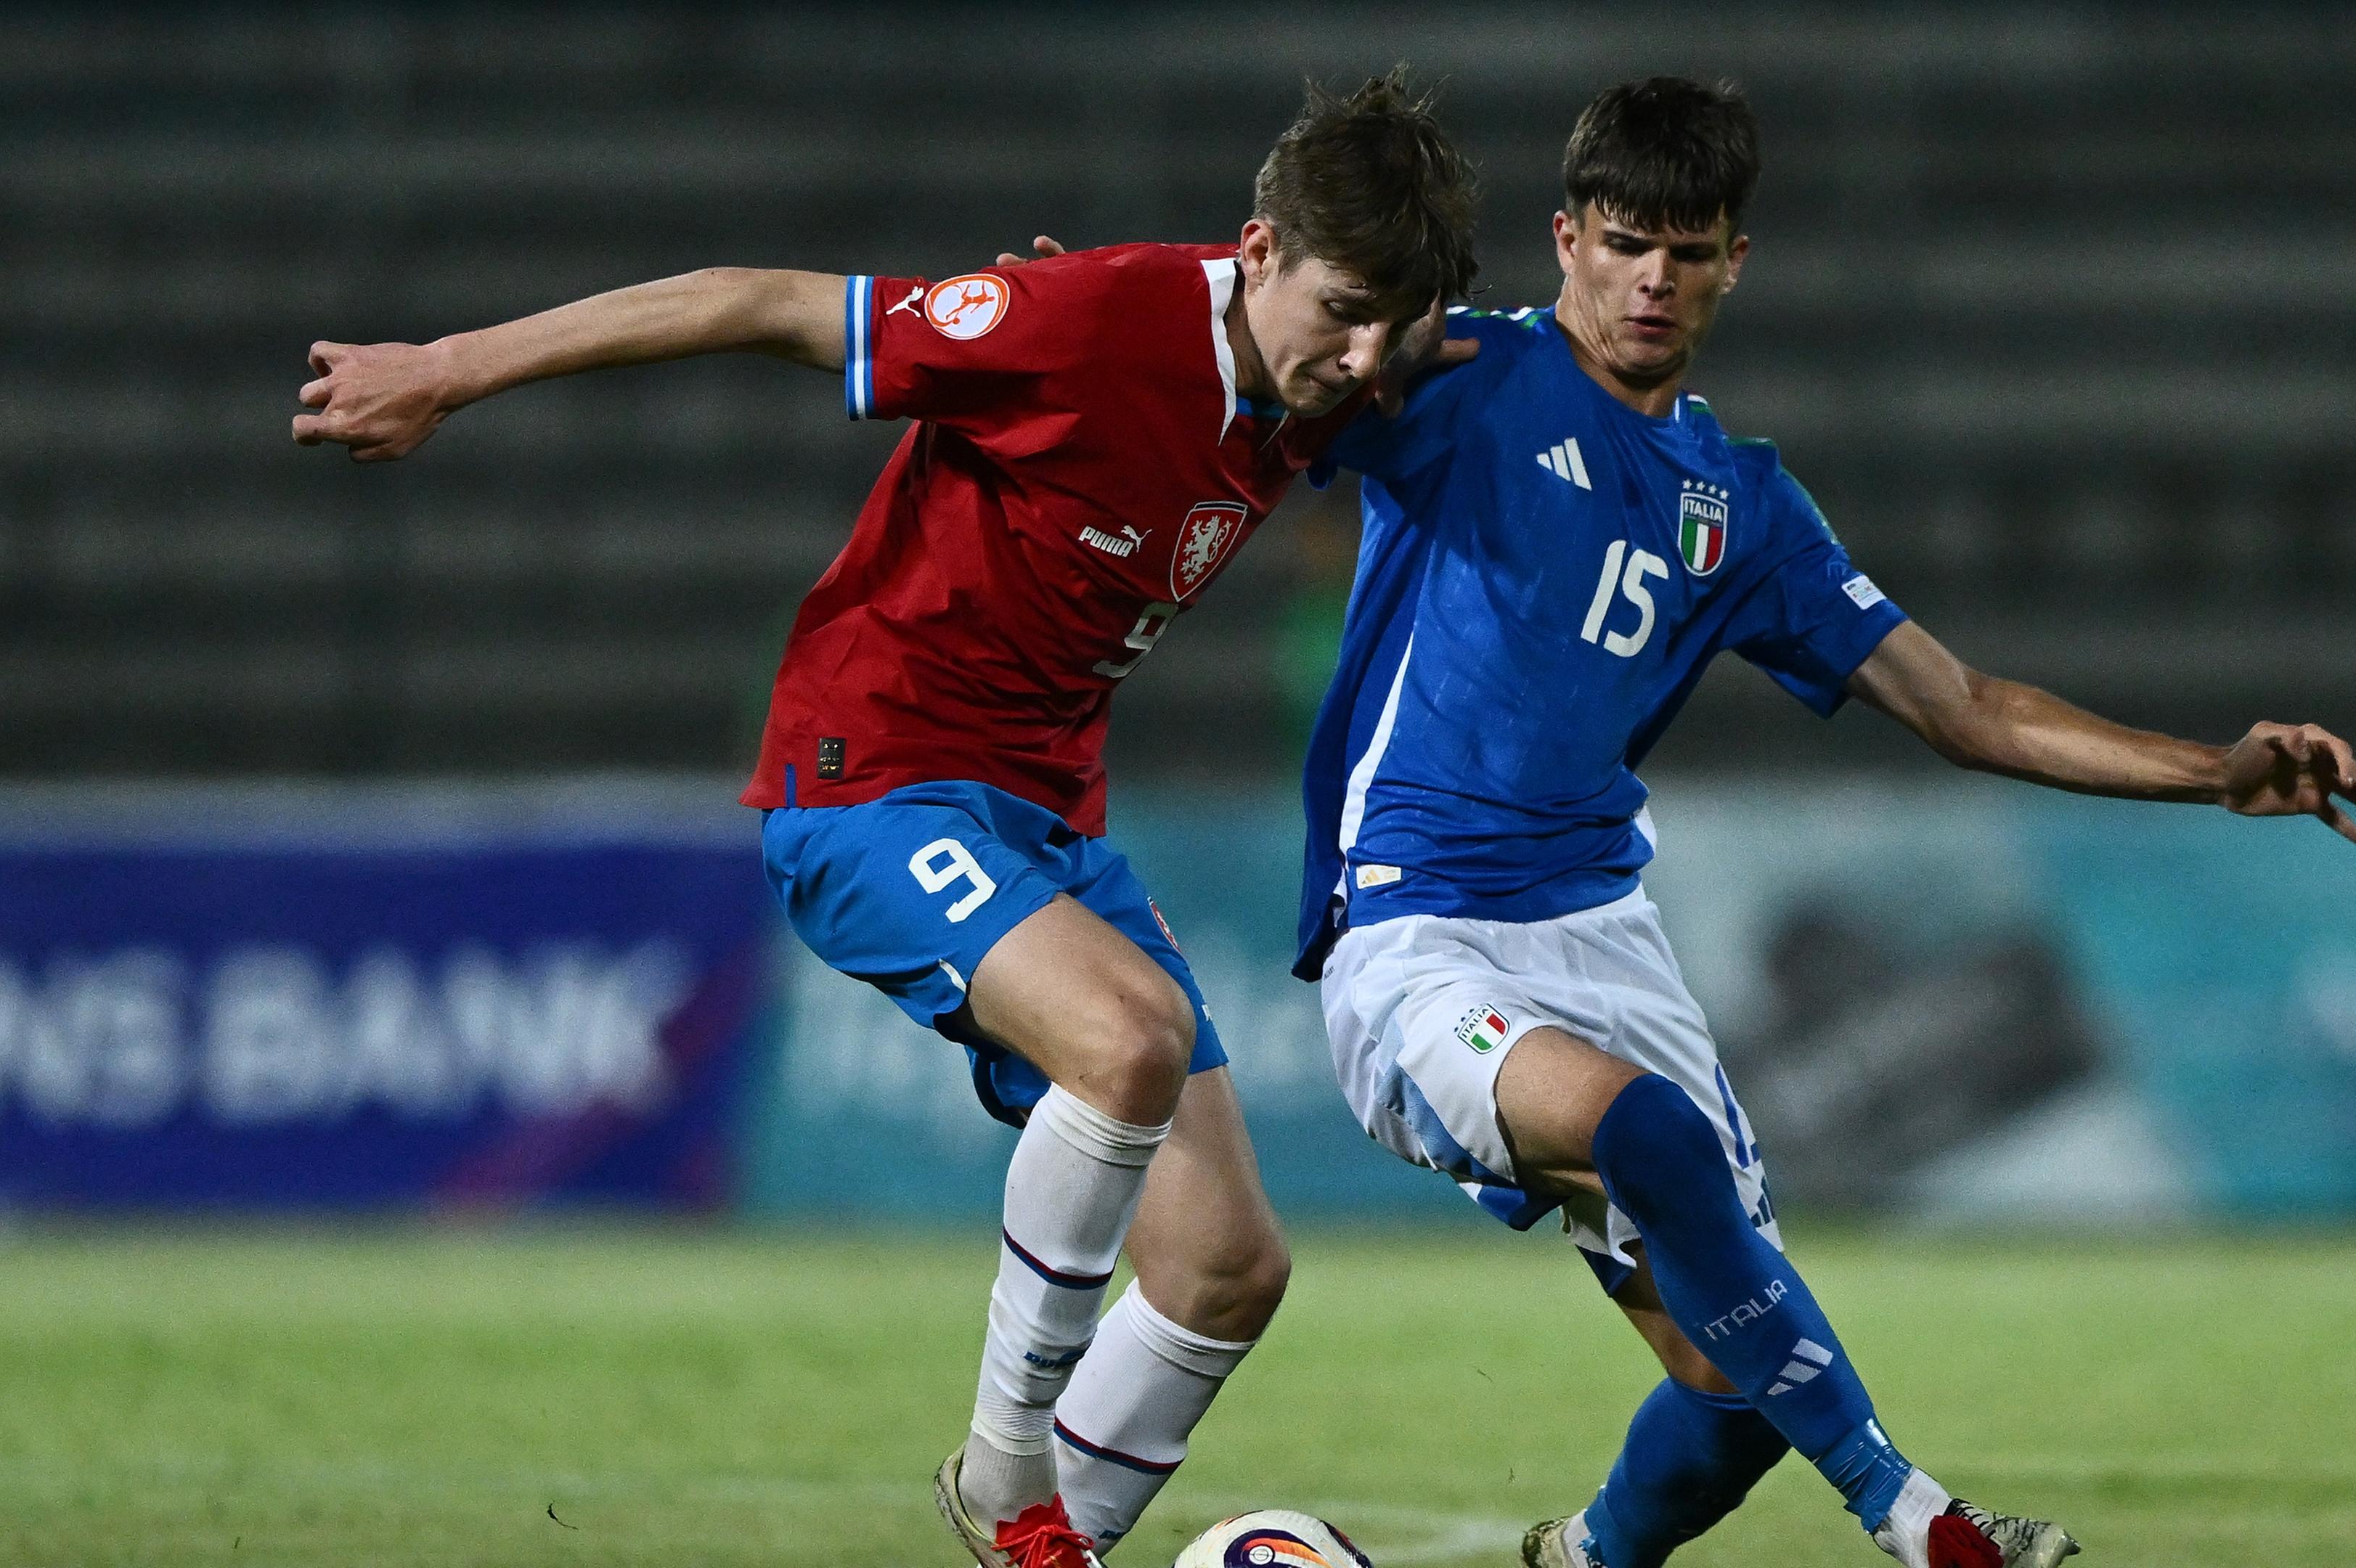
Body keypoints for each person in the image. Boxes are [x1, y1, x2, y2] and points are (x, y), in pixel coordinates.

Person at [292, 75, 1480, 1568]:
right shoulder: (1093, 322)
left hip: (1046, 820)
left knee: (1226, 1263)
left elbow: (1477, 359)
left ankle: (1050, 1547)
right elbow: (756, 301)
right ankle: (1006, 1480)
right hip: (873, 779)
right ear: (1257, 250)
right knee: (1127, 1040)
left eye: (1393, 326)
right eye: (1346, 312)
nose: (1363, 358)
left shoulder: (1340, 368)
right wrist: (445, 369)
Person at [1295, 78, 2356, 1568]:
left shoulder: (1739, 504)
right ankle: (1916, 1514)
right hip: (1419, 929)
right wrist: (1066, 326)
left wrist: (2215, 769)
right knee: (1647, 1130)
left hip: (1602, 934)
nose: (1652, 280)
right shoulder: (1463, 377)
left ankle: (1585, 1557)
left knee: (1736, 1386)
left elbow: (1963, 704)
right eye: (1625, 243)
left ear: (1734, 263)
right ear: (1566, 240)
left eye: (1688, 252)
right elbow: (1265, 359)